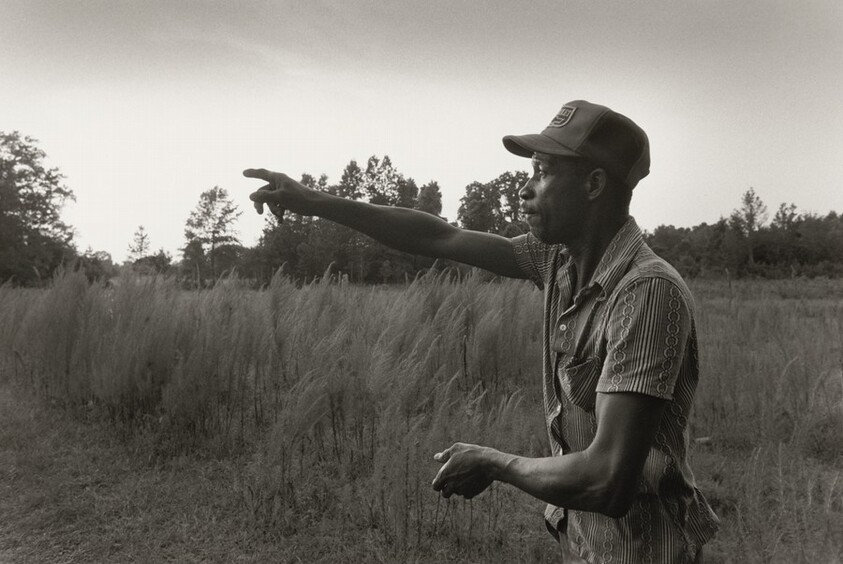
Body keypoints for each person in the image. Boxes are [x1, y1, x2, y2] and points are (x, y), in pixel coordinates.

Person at [245, 100, 719, 563]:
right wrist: (312, 200)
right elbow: (437, 236)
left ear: (594, 183)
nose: (525, 189)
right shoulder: (556, 261)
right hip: (588, 545)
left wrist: (495, 463)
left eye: (542, 172)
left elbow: (607, 480)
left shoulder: (646, 294)